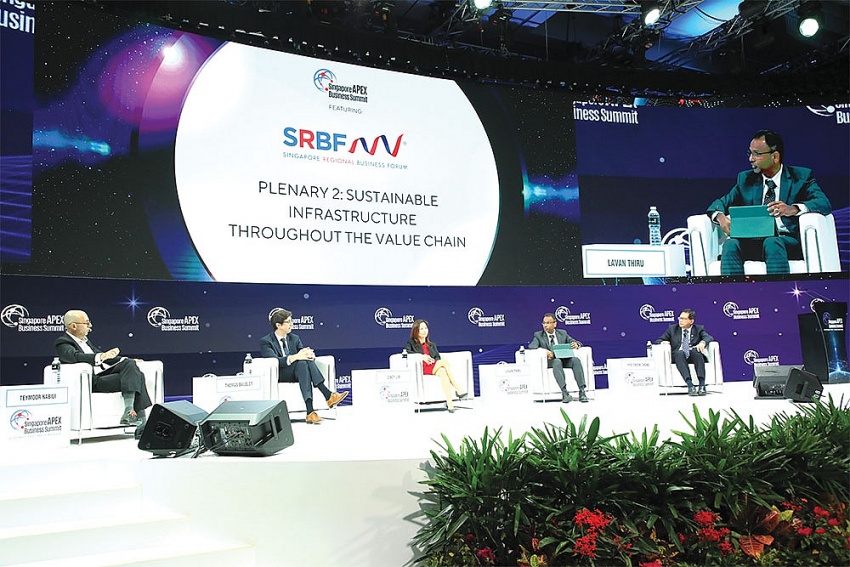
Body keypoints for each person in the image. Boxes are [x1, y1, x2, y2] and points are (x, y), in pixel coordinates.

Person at [706, 129, 832, 275]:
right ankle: (733, 290)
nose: (751, 159)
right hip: (752, 241)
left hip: (784, 242)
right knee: (730, 244)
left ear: (775, 157)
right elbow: (718, 204)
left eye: (757, 154)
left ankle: (778, 290)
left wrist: (793, 209)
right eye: (750, 153)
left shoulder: (800, 177)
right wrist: (720, 217)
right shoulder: (746, 180)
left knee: (772, 242)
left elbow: (823, 203)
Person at [54, 309, 152, 427]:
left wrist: (126, 359)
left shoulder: (85, 342)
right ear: (73, 326)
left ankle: (129, 411)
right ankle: (141, 421)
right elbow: (75, 357)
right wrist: (101, 356)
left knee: (130, 364)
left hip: (102, 375)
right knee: (138, 376)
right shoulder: (63, 343)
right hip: (91, 381)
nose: (90, 326)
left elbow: (105, 357)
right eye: (86, 323)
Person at [259, 308, 347, 424]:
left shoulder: (294, 338)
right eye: (288, 322)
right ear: (278, 325)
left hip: (299, 371)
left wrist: (309, 355)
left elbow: (302, 355)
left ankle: (311, 412)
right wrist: (296, 357)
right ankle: (327, 395)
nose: (292, 324)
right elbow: (274, 361)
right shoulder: (266, 341)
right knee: (302, 362)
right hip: (280, 373)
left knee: (304, 363)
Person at [404, 319, 467, 413]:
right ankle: (458, 388)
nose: (424, 331)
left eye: (426, 328)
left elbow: (437, 357)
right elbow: (408, 353)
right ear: (416, 331)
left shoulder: (432, 345)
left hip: (432, 367)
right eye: (421, 329)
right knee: (444, 362)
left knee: (443, 372)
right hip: (421, 368)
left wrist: (433, 360)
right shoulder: (411, 343)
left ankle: (450, 403)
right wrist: (422, 357)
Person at [529, 313, 589, 403]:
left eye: (548, 323)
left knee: (575, 360)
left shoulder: (562, 333)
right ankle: (565, 393)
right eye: (544, 323)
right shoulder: (538, 335)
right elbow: (532, 346)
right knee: (557, 361)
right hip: (551, 361)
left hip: (564, 359)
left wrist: (576, 344)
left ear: (555, 324)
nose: (545, 325)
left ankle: (582, 391)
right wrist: (545, 352)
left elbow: (574, 341)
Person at [655, 309, 713, 396]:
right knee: (679, 353)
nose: (680, 321)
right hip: (679, 357)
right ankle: (690, 385)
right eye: (680, 318)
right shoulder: (672, 329)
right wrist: (663, 342)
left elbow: (709, 337)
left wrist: (702, 343)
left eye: (684, 319)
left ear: (691, 321)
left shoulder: (698, 329)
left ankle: (702, 385)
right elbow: (658, 340)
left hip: (693, 355)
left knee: (696, 352)